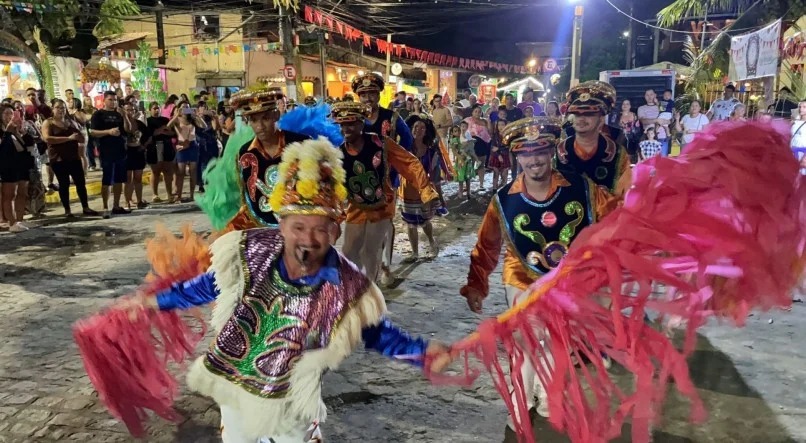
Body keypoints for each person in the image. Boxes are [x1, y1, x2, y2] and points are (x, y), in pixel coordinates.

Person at [112, 137, 451, 442]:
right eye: (298, 226)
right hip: (236, 385)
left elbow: (376, 333)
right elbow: (204, 287)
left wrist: (422, 355)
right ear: (282, 226)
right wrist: (153, 302)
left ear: (335, 231)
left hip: (293, 400)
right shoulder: (249, 252)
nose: (308, 238)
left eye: (320, 229)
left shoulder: (348, 286)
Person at [460, 116, 615, 423]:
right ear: (517, 157)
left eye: (541, 151)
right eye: (526, 153)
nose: (534, 160)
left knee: (559, 341)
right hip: (521, 277)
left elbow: (615, 218)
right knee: (525, 341)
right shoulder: (503, 200)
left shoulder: (582, 189)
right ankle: (520, 402)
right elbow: (487, 245)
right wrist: (476, 284)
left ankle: (549, 397)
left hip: (567, 283)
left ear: (552, 151)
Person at [201, 86, 342, 232]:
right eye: (254, 120)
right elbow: (247, 199)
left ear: (276, 115)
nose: (260, 126)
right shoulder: (244, 153)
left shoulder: (302, 144)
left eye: (265, 118)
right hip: (259, 230)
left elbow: (325, 189)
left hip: (299, 231)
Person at [331, 101, 439, 285]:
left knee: (371, 250)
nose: (346, 129)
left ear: (361, 123)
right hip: (356, 207)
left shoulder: (380, 143)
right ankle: (349, 289)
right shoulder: (338, 153)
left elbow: (409, 162)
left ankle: (370, 291)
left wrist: (426, 191)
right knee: (349, 251)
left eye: (351, 124)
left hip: (382, 203)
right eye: (342, 125)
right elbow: (332, 186)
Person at [556, 81, 630, 196]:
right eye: (577, 114)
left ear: (601, 119)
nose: (581, 119)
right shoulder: (557, 152)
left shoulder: (618, 154)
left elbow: (625, 197)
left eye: (589, 114)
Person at [41, 99, 98, 217]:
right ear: (52, 109)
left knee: (80, 182)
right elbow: (47, 139)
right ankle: (67, 210)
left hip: (73, 157)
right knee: (64, 184)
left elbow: (80, 136)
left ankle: (85, 207)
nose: (61, 110)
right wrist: (69, 138)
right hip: (58, 159)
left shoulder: (70, 121)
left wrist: (81, 136)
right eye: (58, 107)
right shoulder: (48, 123)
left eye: (63, 107)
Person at [400, 115, 444, 262]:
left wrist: (437, 193)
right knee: (410, 223)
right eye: (415, 127)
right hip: (407, 189)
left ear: (426, 131)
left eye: (422, 128)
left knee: (424, 221)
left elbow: (434, 173)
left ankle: (432, 243)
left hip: (423, 189)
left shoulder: (431, 150)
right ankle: (415, 253)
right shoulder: (405, 147)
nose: (418, 130)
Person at [89, 91, 132, 219]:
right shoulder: (98, 114)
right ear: (104, 100)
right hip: (106, 150)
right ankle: (105, 207)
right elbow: (92, 132)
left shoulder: (119, 114)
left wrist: (124, 115)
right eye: (110, 100)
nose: (113, 102)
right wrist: (108, 131)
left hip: (120, 149)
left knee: (119, 179)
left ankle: (116, 205)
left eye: (115, 100)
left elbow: (128, 129)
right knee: (107, 179)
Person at [352, 73, 412, 150]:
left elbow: (407, 136)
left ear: (378, 96)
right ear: (359, 98)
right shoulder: (355, 118)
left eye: (372, 94)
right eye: (363, 96)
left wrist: (397, 156)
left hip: (387, 161)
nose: (368, 99)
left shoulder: (391, 116)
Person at [0, 103, 35, 232]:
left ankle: (19, 220)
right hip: (7, 166)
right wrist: (8, 133)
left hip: (19, 164)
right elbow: (3, 149)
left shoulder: (14, 129)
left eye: (11, 113)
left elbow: (23, 146)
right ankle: (11, 222)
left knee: (21, 193)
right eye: (6, 113)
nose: (9, 116)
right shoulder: (3, 132)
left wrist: (18, 132)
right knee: (9, 195)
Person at [168, 101, 206, 202]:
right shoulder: (177, 119)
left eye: (187, 107)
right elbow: (168, 126)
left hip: (193, 145)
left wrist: (197, 116)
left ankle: (192, 194)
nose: (185, 109)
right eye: (183, 107)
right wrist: (176, 115)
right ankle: (179, 195)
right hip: (181, 146)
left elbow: (204, 126)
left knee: (193, 171)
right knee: (181, 172)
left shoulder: (192, 119)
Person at [143, 102, 176, 203]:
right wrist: (159, 131)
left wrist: (164, 131)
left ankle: (170, 194)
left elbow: (172, 133)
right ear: (150, 110)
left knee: (168, 171)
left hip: (166, 145)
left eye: (158, 108)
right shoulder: (147, 121)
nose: (157, 110)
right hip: (154, 146)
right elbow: (150, 134)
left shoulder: (165, 120)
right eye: (154, 108)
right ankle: (155, 194)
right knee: (155, 171)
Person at [123, 101, 148, 209]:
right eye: (127, 110)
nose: (130, 112)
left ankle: (139, 200)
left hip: (137, 151)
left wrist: (144, 146)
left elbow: (148, 135)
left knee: (138, 178)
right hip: (127, 152)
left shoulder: (140, 123)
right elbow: (126, 130)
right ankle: (127, 201)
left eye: (132, 110)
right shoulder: (121, 123)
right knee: (128, 179)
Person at [448, 124, 473, 200]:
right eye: (455, 131)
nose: (458, 132)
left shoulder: (464, 138)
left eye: (459, 130)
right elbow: (454, 151)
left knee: (468, 177)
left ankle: (469, 192)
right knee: (461, 177)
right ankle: (460, 193)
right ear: (452, 133)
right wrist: (461, 159)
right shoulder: (454, 140)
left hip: (467, 160)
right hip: (460, 161)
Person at [488, 119, 511, 189]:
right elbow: (492, 147)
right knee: (496, 174)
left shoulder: (508, 136)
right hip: (496, 156)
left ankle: (504, 189)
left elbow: (508, 147)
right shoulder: (495, 135)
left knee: (505, 174)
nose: (500, 127)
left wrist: (498, 149)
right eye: (499, 125)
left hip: (505, 156)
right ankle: (494, 190)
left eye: (502, 125)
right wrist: (498, 155)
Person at [791, 100, 806, 175]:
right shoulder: (795, 122)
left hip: (804, 154)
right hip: (793, 153)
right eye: (800, 107)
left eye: (804, 107)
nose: (801, 109)